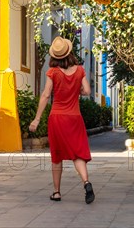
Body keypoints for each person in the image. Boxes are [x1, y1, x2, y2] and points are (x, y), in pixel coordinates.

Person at [29, 36, 95, 204]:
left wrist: (37, 119)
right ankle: (86, 183)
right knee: (77, 153)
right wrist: (77, 90)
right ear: (69, 52)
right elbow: (87, 91)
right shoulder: (80, 70)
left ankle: (57, 192)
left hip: (57, 118)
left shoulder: (52, 72)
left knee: (56, 155)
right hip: (75, 118)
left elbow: (45, 95)